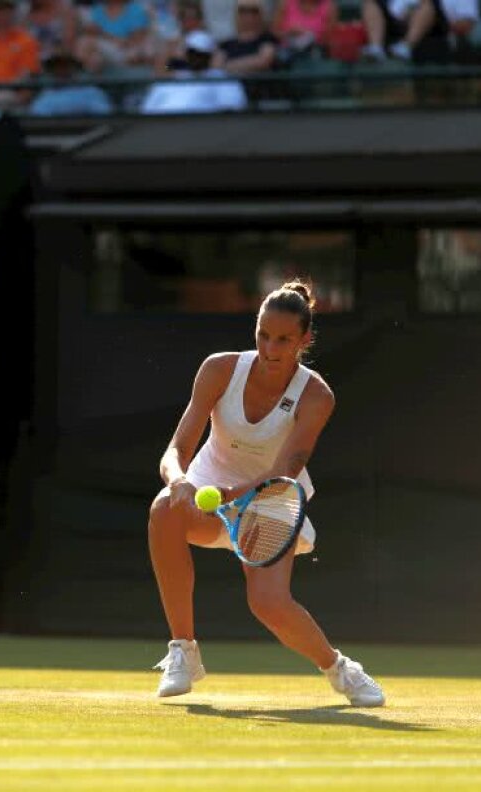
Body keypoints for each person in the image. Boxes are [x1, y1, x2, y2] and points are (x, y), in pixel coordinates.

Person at [147, 280, 386, 707]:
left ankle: (339, 669)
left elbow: (283, 472)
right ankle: (183, 651)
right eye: (263, 335)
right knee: (164, 508)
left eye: (283, 340)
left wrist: (231, 495)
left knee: (268, 604)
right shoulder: (219, 369)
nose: (270, 349)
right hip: (211, 484)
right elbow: (175, 450)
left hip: (272, 498)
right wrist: (180, 480)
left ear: (305, 340)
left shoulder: (316, 396)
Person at [139, 29, 246, 112]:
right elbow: (147, 109)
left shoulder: (221, 78)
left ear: (209, 56)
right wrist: (169, 52)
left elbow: (232, 110)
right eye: (192, 53)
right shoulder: (175, 75)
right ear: (186, 55)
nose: (196, 58)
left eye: (200, 54)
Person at [359, 0, 476, 62]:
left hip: (435, 36)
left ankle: (405, 47)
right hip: (395, 32)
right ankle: (375, 48)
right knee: (371, 3)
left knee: (427, 5)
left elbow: (466, 24)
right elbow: (395, 11)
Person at [28, 48, 113, 115]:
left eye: (65, 65)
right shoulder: (46, 96)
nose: (61, 69)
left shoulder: (91, 92)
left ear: (74, 67)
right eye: (57, 66)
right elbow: (39, 119)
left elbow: (104, 115)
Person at [77, 0, 153, 72]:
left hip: (128, 50)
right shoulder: (97, 10)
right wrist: (113, 39)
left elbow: (136, 39)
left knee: (138, 52)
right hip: (106, 49)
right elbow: (91, 33)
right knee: (86, 45)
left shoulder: (136, 9)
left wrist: (105, 35)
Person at [214, 0, 277, 75]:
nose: (248, 15)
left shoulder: (267, 39)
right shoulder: (227, 44)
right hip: (229, 81)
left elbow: (264, 61)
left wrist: (228, 66)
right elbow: (216, 67)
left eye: (254, 11)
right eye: (243, 11)